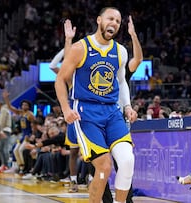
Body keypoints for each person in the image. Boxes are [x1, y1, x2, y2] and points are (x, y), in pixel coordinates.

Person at [55, 7, 142, 203]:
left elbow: (121, 82)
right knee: (104, 166)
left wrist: (127, 106)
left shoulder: (120, 51)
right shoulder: (80, 48)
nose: (114, 23)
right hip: (86, 112)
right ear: (99, 20)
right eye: (110, 18)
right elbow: (60, 79)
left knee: (127, 161)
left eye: (118, 21)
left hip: (112, 111)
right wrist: (66, 109)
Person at [2, 90, 35, 174]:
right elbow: (10, 107)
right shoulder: (20, 113)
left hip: (28, 134)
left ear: (29, 106)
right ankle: (20, 166)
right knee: (15, 150)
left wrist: (32, 135)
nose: (24, 106)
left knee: (20, 150)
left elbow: (34, 125)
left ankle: (25, 168)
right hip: (23, 134)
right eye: (23, 105)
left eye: (26, 105)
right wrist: (6, 98)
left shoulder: (30, 114)